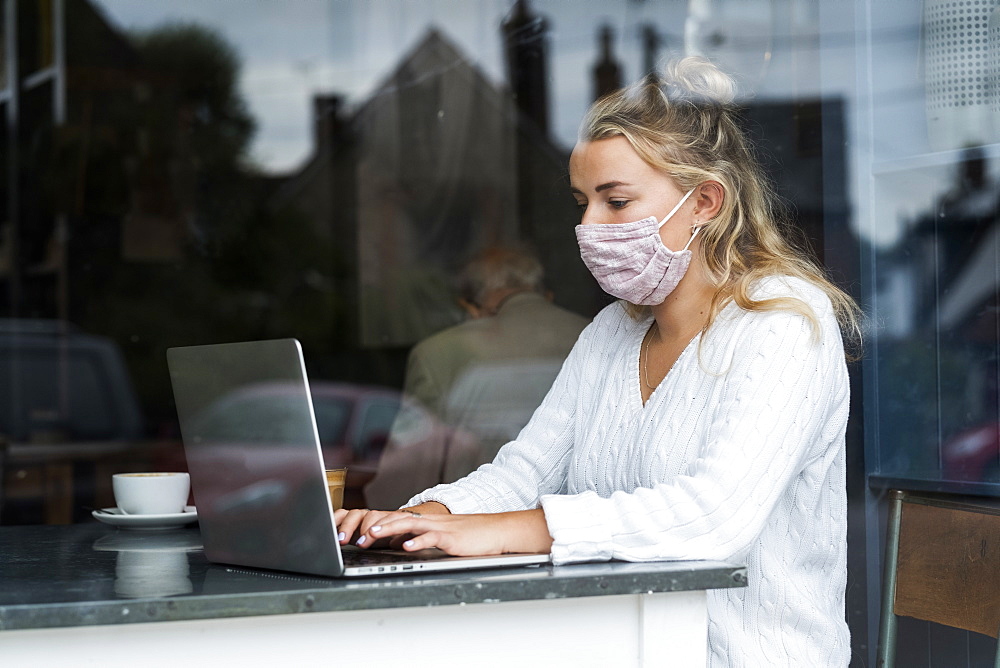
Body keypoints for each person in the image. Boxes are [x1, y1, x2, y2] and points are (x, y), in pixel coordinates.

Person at [336, 56, 860, 667]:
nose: (588, 226)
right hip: (622, 648)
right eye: (582, 202)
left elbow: (713, 517)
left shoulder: (786, 324)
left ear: (705, 202)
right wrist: (420, 519)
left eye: (615, 201)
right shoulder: (613, 331)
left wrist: (513, 529)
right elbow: (523, 473)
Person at [365, 246, 589, 508]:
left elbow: (411, 471)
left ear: (469, 308)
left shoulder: (436, 352)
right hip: (579, 523)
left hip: (467, 522)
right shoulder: (599, 335)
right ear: (547, 296)